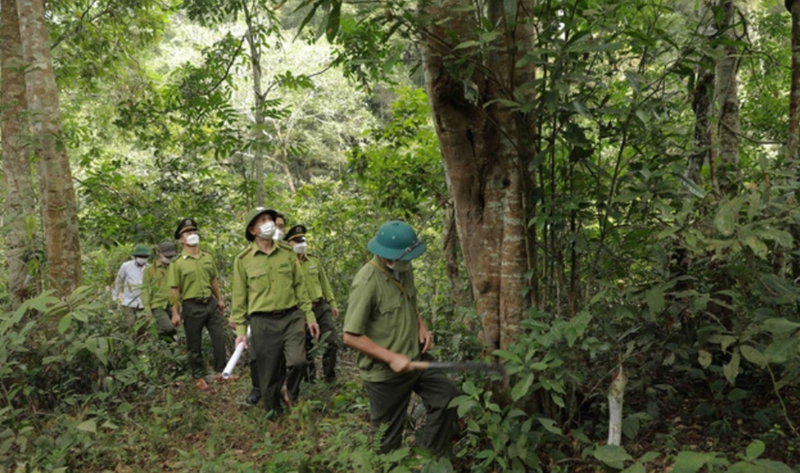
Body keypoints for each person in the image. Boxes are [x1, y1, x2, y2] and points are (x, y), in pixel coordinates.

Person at [343, 220, 458, 455]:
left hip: (416, 357)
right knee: (387, 439)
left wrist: (421, 326)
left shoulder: (403, 268)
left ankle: (426, 458)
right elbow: (350, 336)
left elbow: (410, 300)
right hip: (385, 373)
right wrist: (390, 357)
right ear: (387, 256)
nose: (409, 263)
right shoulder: (367, 282)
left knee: (447, 396)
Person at [231, 207, 319, 415]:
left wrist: (310, 316)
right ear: (253, 230)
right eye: (262, 220)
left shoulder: (287, 253)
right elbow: (239, 298)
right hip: (262, 322)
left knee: (298, 361)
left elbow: (300, 286)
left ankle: (290, 391)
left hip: (291, 317)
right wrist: (241, 331)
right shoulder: (243, 260)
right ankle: (273, 415)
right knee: (267, 376)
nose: (268, 223)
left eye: (270, 219)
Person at [168, 218, 228, 381]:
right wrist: (175, 313)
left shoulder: (207, 257)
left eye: (194, 231)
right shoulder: (178, 264)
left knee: (219, 338)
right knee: (194, 344)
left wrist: (220, 299)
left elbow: (213, 280)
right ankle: (199, 376)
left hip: (210, 304)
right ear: (181, 240)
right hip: (191, 306)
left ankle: (222, 372)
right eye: (188, 233)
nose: (192, 234)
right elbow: (175, 290)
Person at [285, 224, 340, 383]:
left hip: (321, 307)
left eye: (302, 240)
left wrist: (333, 303)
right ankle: (310, 380)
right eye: (296, 241)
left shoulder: (313, 260)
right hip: (300, 311)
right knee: (305, 347)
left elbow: (324, 284)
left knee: (332, 342)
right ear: (288, 244)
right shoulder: (287, 265)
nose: (301, 244)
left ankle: (330, 378)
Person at [142, 241, 178, 342]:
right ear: (159, 253)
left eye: (171, 256)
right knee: (169, 328)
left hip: (173, 304)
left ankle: (165, 349)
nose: (169, 258)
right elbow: (145, 290)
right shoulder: (149, 269)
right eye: (167, 256)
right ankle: (159, 335)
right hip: (158, 305)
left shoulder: (174, 267)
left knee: (172, 331)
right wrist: (147, 309)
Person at [113, 244, 150, 328]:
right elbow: (119, 281)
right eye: (140, 256)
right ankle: (129, 340)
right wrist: (114, 297)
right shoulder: (126, 266)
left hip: (143, 303)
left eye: (144, 256)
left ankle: (140, 341)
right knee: (129, 324)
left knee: (143, 326)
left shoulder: (149, 268)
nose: (142, 258)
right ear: (135, 257)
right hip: (129, 301)